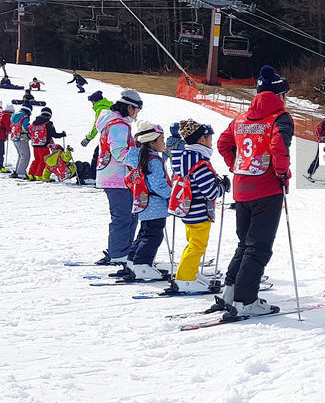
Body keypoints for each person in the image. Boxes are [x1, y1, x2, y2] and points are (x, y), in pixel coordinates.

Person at [215, 66, 293, 317]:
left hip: (242, 186)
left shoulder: (241, 118)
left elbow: (223, 143)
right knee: (258, 246)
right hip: (266, 187)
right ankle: (246, 299)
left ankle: (231, 290)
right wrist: (282, 174)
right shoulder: (280, 117)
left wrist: (237, 165)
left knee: (244, 243)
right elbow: (279, 147)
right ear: (279, 95)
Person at [168, 119, 227, 294]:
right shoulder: (199, 162)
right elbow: (210, 191)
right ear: (202, 140)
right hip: (199, 211)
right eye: (209, 138)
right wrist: (223, 187)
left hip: (188, 209)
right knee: (197, 245)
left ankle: (189, 273)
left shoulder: (186, 158)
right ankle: (185, 278)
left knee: (192, 243)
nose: (211, 142)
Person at [95, 90, 144, 265]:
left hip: (118, 177)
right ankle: (118, 253)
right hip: (117, 177)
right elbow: (118, 152)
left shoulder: (115, 122)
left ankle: (124, 249)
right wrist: (140, 156)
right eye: (136, 109)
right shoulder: (119, 125)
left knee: (130, 215)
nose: (137, 114)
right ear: (129, 107)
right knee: (123, 216)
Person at [119, 121, 171, 281]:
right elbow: (158, 184)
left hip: (144, 202)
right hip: (154, 203)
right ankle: (142, 264)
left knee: (144, 233)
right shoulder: (153, 160)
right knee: (153, 235)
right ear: (152, 141)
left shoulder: (141, 157)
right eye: (162, 140)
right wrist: (172, 194)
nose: (164, 143)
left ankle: (132, 262)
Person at [80, 91, 113, 178]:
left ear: (95, 101)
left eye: (92, 101)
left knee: (97, 155)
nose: (92, 104)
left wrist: (88, 138)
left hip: (106, 137)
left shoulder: (100, 109)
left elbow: (97, 126)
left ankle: (94, 176)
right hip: (114, 136)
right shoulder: (111, 107)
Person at [9, 105, 33, 179]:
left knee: (21, 155)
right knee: (25, 155)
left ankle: (18, 171)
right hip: (22, 138)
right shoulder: (24, 117)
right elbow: (26, 127)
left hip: (14, 136)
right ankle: (21, 172)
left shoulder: (14, 115)